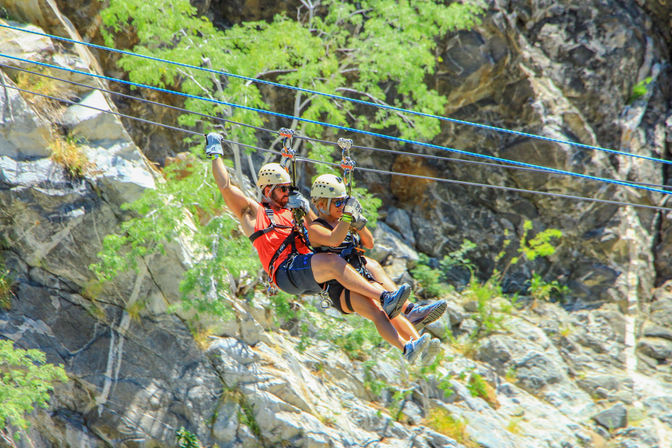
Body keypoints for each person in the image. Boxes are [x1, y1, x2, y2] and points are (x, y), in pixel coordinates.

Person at [205, 133, 430, 362]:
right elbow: (225, 185)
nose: (287, 193)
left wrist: (304, 207)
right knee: (334, 263)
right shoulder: (253, 213)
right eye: (281, 189)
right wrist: (215, 153)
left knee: (369, 293)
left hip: (311, 271)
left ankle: (407, 347)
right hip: (286, 271)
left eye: (287, 188)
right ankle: (386, 296)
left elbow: (317, 230)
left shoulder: (293, 210)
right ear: (266, 191)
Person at [307, 174, 446, 357]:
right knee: (378, 312)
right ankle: (406, 348)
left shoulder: (344, 223)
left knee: (390, 309)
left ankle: (419, 339)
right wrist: (347, 218)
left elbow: (369, 243)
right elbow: (334, 240)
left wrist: (360, 223)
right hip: (339, 288)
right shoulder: (316, 229)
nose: (342, 206)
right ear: (322, 204)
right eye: (338, 203)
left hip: (358, 277)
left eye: (343, 202)